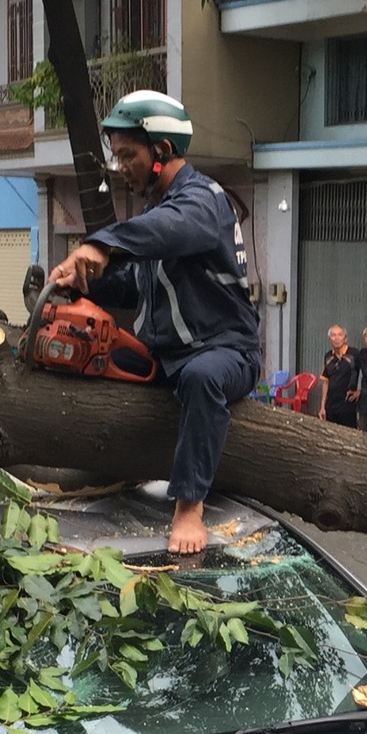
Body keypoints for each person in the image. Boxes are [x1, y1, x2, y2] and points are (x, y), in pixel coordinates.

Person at [48, 91, 260, 555]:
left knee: (204, 379)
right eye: (117, 156)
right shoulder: (156, 214)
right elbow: (135, 289)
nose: (121, 166)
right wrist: (85, 284)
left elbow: (169, 230)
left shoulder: (204, 201)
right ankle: (92, 475)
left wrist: (102, 243)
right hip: (165, 357)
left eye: (129, 155)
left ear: (161, 152)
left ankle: (188, 506)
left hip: (223, 352)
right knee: (99, 363)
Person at [317, 324, 357, 428]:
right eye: (333, 335)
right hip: (331, 406)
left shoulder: (354, 354)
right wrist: (322, 407)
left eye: (340, 335)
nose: (337, 338)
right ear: (330, 339)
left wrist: (360, 392)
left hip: (347, 406)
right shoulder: (328, 356)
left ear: (345, 338)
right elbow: (326, 381)